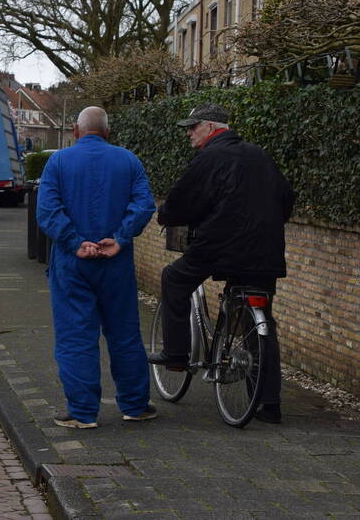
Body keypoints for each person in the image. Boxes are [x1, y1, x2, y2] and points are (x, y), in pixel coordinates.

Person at [150, 103, 294, 424]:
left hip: (220, 246)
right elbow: (286, 199)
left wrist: (167, 216)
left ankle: (175, 354)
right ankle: (269, 404)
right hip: (265, 252)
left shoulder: (210, 157)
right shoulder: (261, 156)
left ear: (212, 128)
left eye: (193, 126)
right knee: (262, 322)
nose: (188, 132)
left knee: (174, 278)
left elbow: (185, 199)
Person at [37, 106, 157, 428]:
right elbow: (144, 204)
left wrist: (76, 242)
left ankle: (82, 413)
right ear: (107, 132)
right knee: (125, 334)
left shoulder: (58, 162)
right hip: (115, 262)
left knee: (76, 336)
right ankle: (135, 406)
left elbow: (47, 211)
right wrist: (120, 237)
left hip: (72, 265)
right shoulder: (129, 161)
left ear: (75, 131)